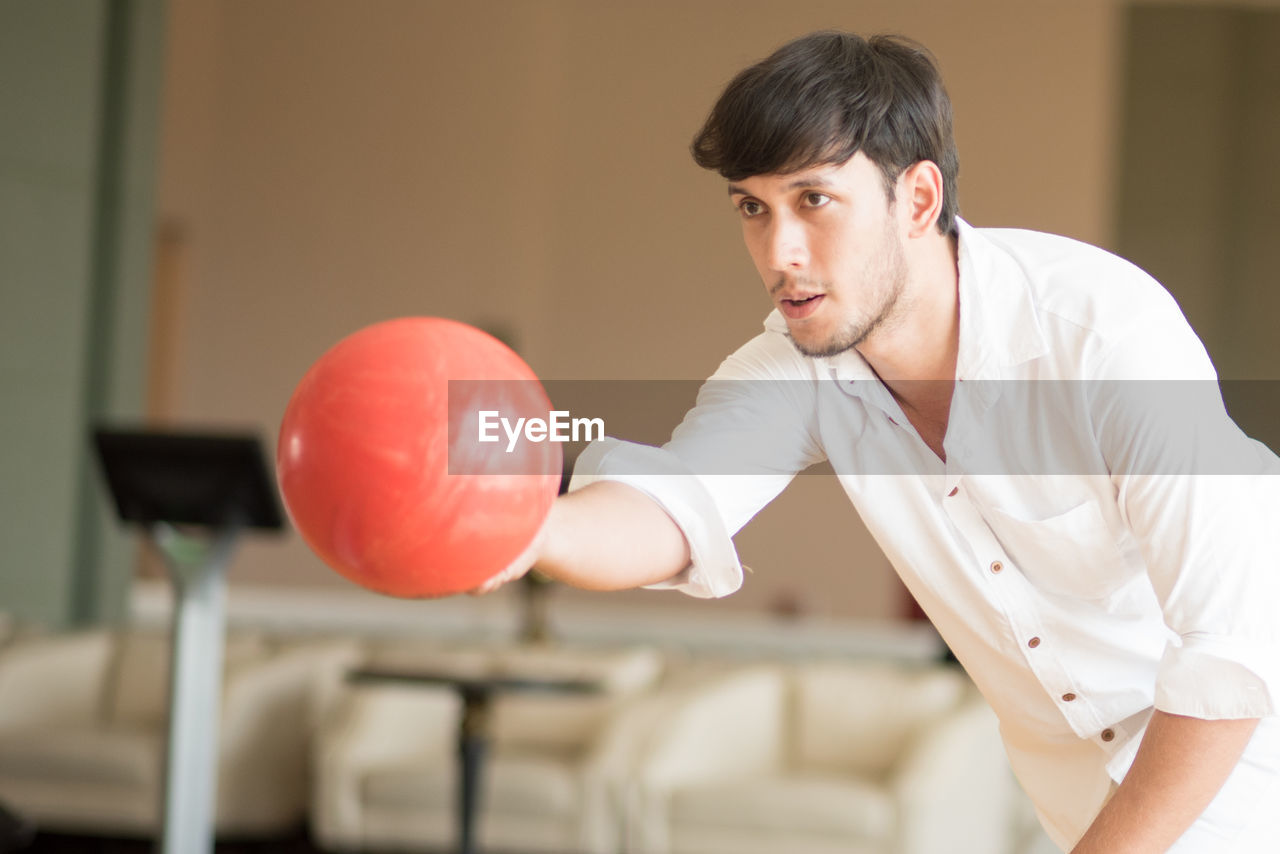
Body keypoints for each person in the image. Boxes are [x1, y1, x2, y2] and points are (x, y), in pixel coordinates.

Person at [478, 31, 1280, 852]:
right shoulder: (801, 368)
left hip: (1250, 771)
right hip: (1088, 812)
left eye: (813, 200)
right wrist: (524, 527)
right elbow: (673, 506)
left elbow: (1231, 656)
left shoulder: (1103, 334)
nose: (779, 253)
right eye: (752, 207)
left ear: (920, 200)